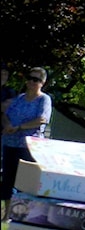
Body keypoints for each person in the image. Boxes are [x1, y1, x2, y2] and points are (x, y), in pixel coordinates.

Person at [1, 66, 53, 221]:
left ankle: (23, 214)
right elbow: (5, 114)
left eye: (36, 80)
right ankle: (7, 214)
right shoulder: (20, 98)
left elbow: (42, 119)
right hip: (10, 143)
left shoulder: (44, 99)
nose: (31, 82)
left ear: (42, 83)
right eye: (30, 78)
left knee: (24, 182)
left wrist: (20, 127)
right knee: (8, 179)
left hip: (29, 147)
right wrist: (7, 125)